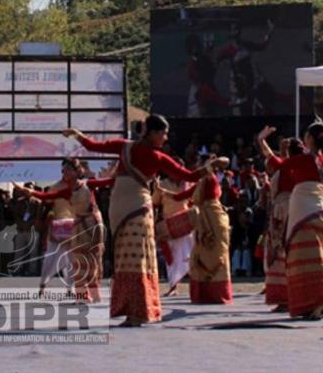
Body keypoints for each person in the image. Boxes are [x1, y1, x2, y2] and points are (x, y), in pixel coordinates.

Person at [64, 116, 222, 327]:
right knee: (136, 259)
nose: (165, 138)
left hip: (119, 210)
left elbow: (93, 146)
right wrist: (213, 166)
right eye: (163, 133)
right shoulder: (156, 157)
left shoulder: (126, 148)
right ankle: (137, 311)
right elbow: (191, 176)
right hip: (136, 209)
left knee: (127, 260)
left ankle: (134, 311)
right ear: (153, 133)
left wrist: (77, 134)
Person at [264, 123, 323, 320]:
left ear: (309, 139)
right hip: (320, 210)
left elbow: (277, 164)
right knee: (318, 254)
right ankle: (312, 302)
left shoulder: (301, 160)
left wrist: (262, 142)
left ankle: (319, 298)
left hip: (302, 209)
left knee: (303, 257)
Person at [17, 158, 110, 303]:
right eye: (63, 170)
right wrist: (30, 192)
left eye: (68, 169)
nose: (64, 172)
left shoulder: (89, 184)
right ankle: (82, 296)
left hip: (94, 225)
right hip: (77, 225)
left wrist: (114, 173)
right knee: (78, 261)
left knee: (94, 261)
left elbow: (108, 182)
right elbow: (47, 196)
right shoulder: (65, 191)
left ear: (77, 171)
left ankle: (95, 294)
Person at [171, 168, 233, 304]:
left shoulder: (206, 184)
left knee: (206, 254)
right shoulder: (221, 211)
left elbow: (175, 222)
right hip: (218, 219)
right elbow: (180, 196)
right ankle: (218, 294)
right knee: (218, 253)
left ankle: (205, 294)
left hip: (207, 219)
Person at [256, 134, 303, 312]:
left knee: (281, 253)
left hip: (285, 211)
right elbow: (271, 158)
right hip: (286, 210)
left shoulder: (291, 167)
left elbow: (272, 158)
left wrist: (262, 141)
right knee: (282, 253)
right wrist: (263, 141)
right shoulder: (295, 167)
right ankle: (288, 297)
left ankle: (286, 298)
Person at [153, 176, 195, 298]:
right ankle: (173, 287)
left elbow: (194, 200)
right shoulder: (161, 183)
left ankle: (197, 287)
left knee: (191, 255)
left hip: (187, 223)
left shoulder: (189, 183)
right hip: (169, 226)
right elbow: (155, 202)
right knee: (171, 257)